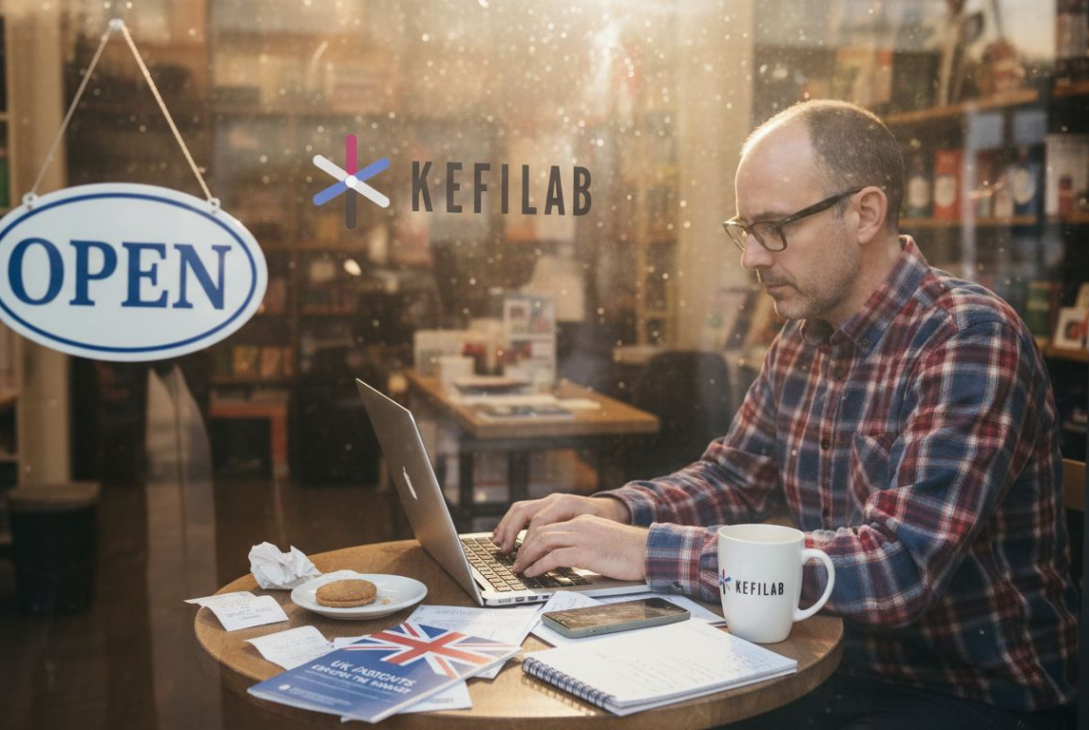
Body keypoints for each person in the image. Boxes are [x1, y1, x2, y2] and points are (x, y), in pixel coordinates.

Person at [492, 99, 1078, 728]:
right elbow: (734, 479)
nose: (752, 257)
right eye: (745, 229)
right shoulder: (801, 340)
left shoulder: (969, 338)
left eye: (775, 227)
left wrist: (643, 550)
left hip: (962, 693)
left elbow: (897, 567)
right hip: (822, 661)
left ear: (865, 213)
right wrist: (613, 511)